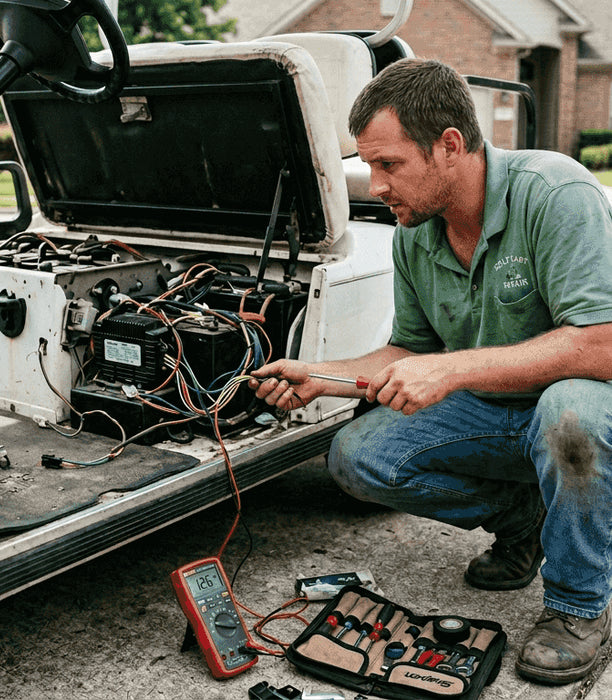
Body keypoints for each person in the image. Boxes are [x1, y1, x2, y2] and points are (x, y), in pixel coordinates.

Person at [249, 58, 612, 685]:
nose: (375, 184)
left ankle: (578, 606)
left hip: (575, 405)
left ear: (449, 146)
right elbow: (408, 351)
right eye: (369, 165)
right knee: (357, 457)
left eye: (390, 164)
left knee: (571, 416)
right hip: (492, 408)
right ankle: (522, 521)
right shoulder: (413, 231)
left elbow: (602, 344)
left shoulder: (556, 194)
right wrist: (324, 376)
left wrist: (453, 368)